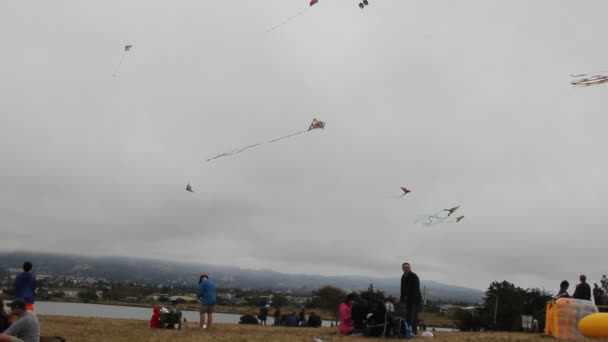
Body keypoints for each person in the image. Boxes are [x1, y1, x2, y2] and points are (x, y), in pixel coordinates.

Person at [400, 262, 422, 335]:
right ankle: (407, 331)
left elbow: (416, 289)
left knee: (414, 316)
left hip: (415, 299)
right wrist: (402, 300)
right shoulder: (403, 277)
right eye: (405, 267)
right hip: (408, 300)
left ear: (410, 268)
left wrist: (412, 300)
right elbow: (402, 290)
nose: (407, 268)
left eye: (408, 267)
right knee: (407, 316)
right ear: (402, 269)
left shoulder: (414, 276)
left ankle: (414, 332)